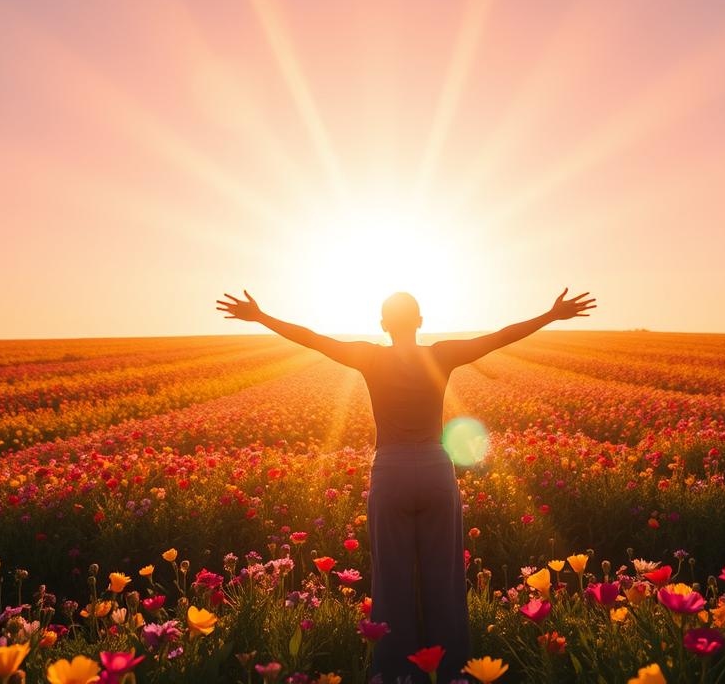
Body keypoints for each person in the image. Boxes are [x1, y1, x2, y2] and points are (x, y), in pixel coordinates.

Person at [215, 288, 596, 683]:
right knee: (443, 580)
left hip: (391, 470)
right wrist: (549, 316)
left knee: (392, 581)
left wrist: (262, 318)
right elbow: (498, 337)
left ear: (383, 325)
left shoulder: (370, 356)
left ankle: (396, 675)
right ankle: (450, 673)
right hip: (435, 468)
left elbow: (314, 339)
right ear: (420, 322)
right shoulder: (441, 355)